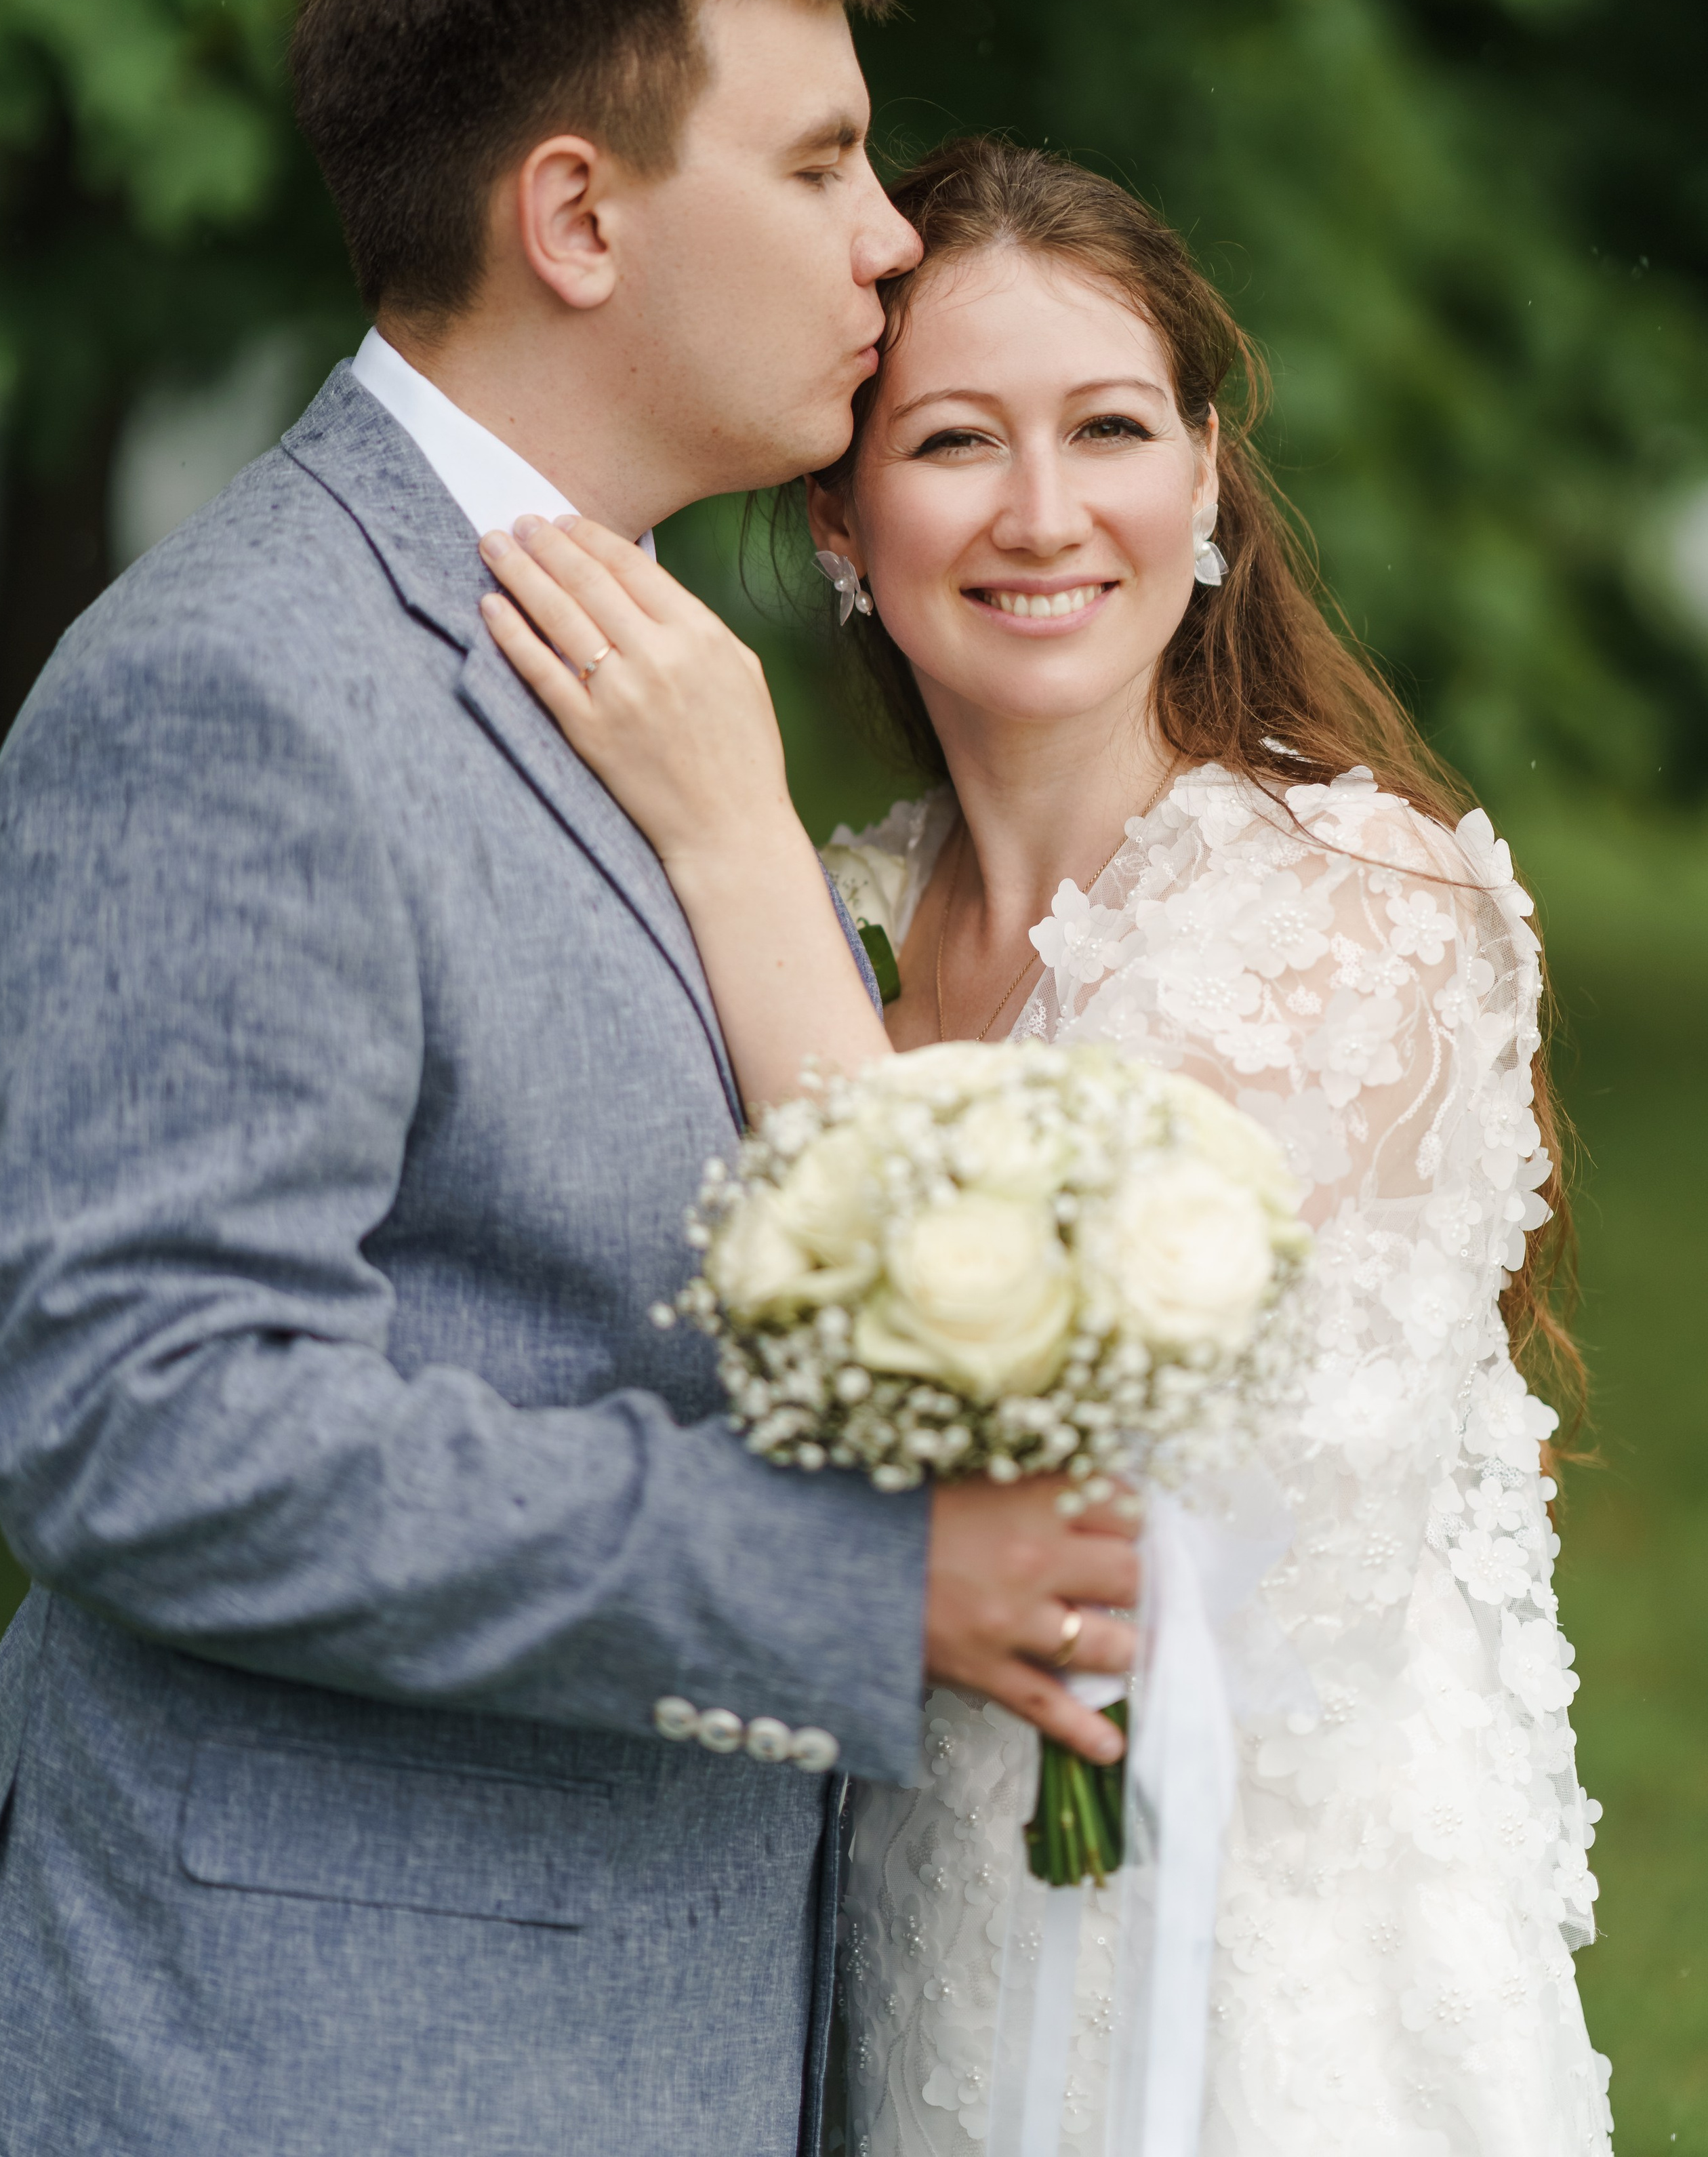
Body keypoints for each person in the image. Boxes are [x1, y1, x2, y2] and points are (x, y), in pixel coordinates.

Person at [0, 0, 1141, 2157]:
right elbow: (152, 1423)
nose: (891, 237)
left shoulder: (629, 658)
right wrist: (852, 1580)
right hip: (321, 2067)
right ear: (581, 215)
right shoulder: (240, 688)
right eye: (821, 166)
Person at [478, 135, 1615, 2154]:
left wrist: (723, 828)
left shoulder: (1359, 909)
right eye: (950, 444)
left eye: (1108, 429)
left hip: (1253, 1966)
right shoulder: (846, 909)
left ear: (1204, 486)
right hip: (911, 1929)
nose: (1041, 514)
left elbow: (986, 1346)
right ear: (839, 511)